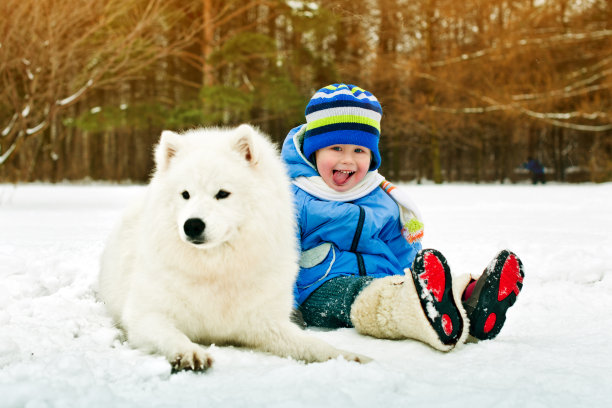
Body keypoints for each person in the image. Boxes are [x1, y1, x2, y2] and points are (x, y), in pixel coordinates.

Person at [281, 83, 525, 351]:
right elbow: (277, 256)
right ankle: (419, 308)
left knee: (397, 290)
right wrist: (283, 306)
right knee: (361, 295)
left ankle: (469, 302)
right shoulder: (294, 197)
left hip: (385, 279)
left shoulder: (382, 198)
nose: (348, 160)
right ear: (314, 149)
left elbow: (402, 249)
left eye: (359, 151)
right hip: (318, 290)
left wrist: (412, 279)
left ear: (372, 156)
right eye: (336, 148)